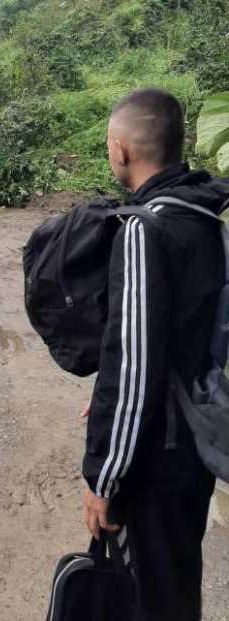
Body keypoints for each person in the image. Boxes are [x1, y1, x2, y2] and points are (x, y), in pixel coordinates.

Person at [81, 88, 228, 620]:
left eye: (107, 145)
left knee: (152, 595)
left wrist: (103, 477)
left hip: (156, 458)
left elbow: (134, 363)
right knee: (177, 580)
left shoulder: (144, 228)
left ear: (121, 149)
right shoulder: (207, 213)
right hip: (193, 441)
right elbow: (189, 332)